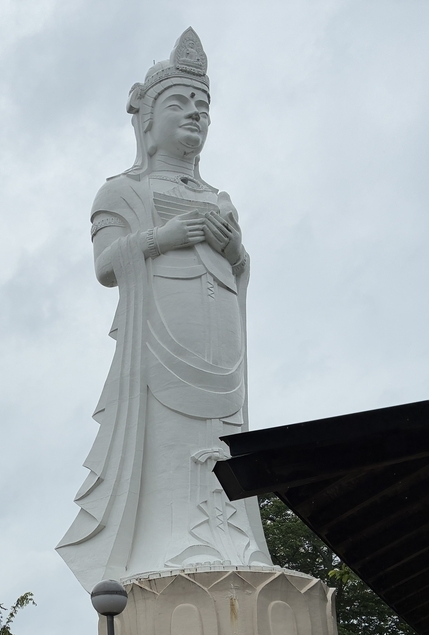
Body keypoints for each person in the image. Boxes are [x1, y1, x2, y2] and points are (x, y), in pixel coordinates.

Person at [57, 26, 271, 589]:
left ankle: (231, 541)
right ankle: (166, 542)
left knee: (222, 437)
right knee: (168, 436)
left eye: (203, 104)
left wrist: (232, 249)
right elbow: (107, 266)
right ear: (145, 120)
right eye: (179, 102)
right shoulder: (122, 192)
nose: (195, 113)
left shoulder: (218, 198)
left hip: (219, 338)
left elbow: (241, 267)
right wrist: (166, 235)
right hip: (158, 338)